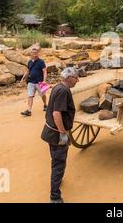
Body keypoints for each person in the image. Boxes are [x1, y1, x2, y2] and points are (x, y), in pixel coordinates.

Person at [41, 67, 78, 203]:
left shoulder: (58, 87)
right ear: (69, 78)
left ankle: (57, 180)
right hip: (56, 134)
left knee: (56, 160)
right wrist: (63, 133)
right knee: (59, 163)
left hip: (50, 132)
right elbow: (57, 114)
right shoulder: (63, 91)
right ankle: (54, 196)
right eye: (76, 78)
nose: (77, 80)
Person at [20, 48, 48, 116]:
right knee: (30, 96)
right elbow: (27, 71)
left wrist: (44, 81)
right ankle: (29, 111)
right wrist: (22, 78)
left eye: (35, 52)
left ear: (38, 53)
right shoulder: (30, 62)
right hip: (31, 82)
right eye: (33, 52)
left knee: (43, 95)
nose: (34, 54)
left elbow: (44, 71)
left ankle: (45, 105)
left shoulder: (41, 62)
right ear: (31, 53)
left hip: (40, 82)